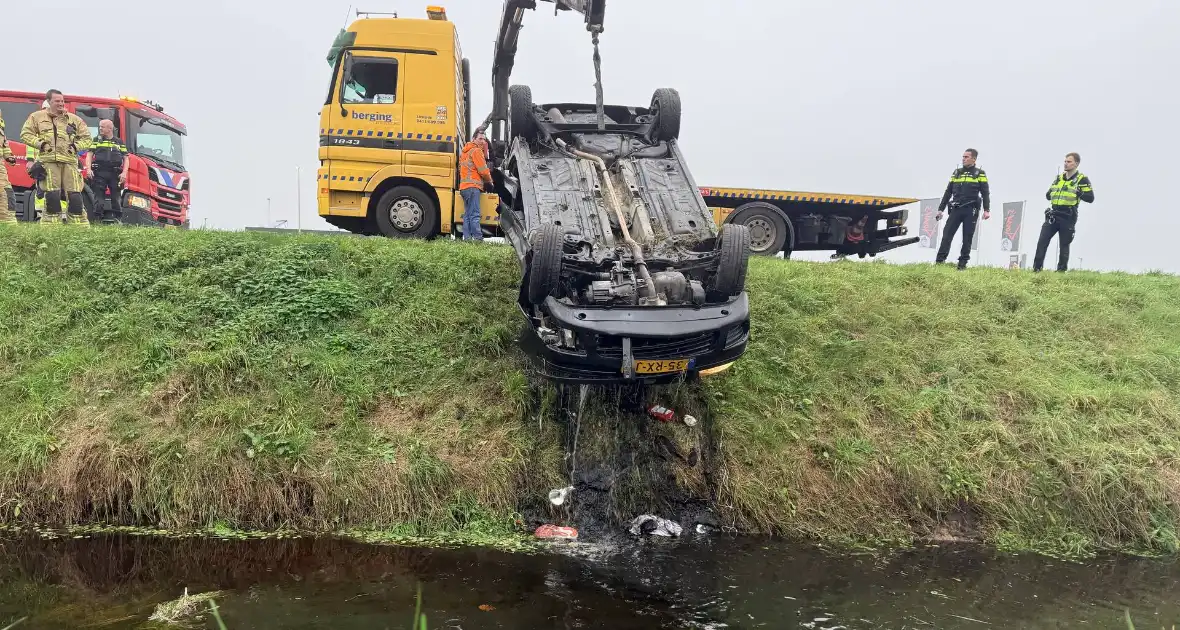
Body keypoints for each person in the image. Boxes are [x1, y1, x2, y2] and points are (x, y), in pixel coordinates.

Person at [20, 89, 92, 226]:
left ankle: (79, 227)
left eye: (62, 101)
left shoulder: (74, 119)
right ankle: (50, 226)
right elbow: (25, 134)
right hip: (49, 163)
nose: (61, 103)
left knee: (75, 196)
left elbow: (87, 139)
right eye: (57, 101)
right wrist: (41, 144)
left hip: (69, 162)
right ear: (49, 102)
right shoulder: (36, 117)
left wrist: (76, 147)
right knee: (52, 196)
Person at [1033, 152, 1094, 272]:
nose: (1066, 164)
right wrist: (1051, 193)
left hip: (1068, 215)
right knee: (1042, 241)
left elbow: (1090, 198)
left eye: (1069, 161)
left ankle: (1061, 271)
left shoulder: (1082, 179)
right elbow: (1048, 195)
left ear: (1076, 164)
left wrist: (1079, 193)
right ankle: (1037, 269)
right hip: (1053, 213)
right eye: (1065, 161)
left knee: (1064, 245)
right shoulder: (1059, 178)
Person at [934, 148, 991, 269]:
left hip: (971, 210)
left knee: (967, 238)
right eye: (963, 157)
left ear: (974, 159)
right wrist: (941, 209)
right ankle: (939, 262)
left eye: (966, 157)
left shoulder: (980, 173)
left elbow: (985, 193)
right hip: (956, 209)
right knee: (947, 235)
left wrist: (987, 210)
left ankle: (962, 264)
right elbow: (948, 191)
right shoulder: (957, 172)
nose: (963, 159)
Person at [84, 119, 128, 224]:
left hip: (115, 173)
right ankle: (97, 220)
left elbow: (126, 158)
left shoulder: (119, 142)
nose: (100, 129)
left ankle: (118, 220)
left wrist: (124, 173)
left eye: (102, 127)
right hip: (99, 172)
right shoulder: (96, 140)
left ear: (110, 128)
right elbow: (89, 155)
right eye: (100, 127)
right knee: (98, 197)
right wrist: (89, 169)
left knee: (116, 197)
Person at [458, 127, 493, 241]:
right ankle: (478, 240)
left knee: (467, 215)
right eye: (480, 138)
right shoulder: (476, 151)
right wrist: (489, 181)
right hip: (473, 188)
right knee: (475, 215)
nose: (482, 141)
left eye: (484, 139)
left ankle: (467, 239)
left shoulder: (465, 151)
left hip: (464, 188)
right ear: (474, 139)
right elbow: (483, 170)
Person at [0, 111, 17, 224]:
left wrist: (9, 157)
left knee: (7, 193)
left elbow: (5, 145)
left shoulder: (1, 130)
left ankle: (8, 224)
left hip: (1, 166)